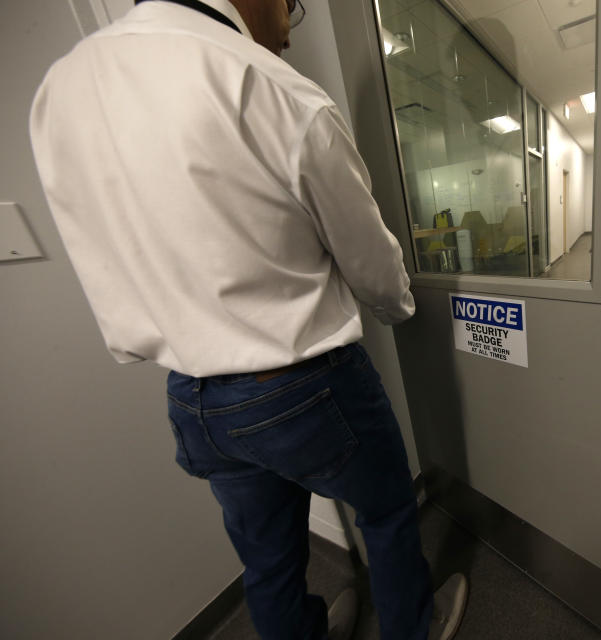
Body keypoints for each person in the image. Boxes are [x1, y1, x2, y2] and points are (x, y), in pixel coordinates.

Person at [29, 0, 468, 638]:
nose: (290, 27)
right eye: (292, 7)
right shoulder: (268, 84)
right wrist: (397, 306)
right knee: (388, 513)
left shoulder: (60, 88)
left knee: (267, 558)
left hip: (191, 396)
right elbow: (368, 256)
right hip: (302, 384)